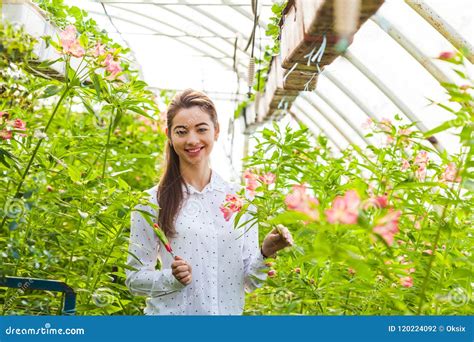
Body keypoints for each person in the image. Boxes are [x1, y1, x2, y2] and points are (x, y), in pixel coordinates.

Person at [125, 89, 293, 315]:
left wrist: (265, 252)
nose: (192, 140)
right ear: (169, 135)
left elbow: (249, 281)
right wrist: (171, 278)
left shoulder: (241, 201)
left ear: (216, 131)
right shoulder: (151, 202)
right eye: (181, 131)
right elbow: (134, 279)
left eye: (201, 129)